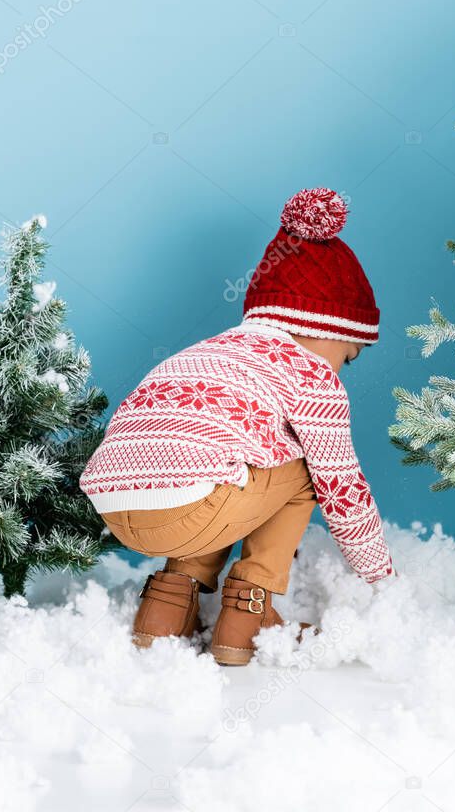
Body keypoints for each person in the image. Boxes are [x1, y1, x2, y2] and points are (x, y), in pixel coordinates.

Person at [80, 187, 394, 665]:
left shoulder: (212, 350)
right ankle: (248, 617)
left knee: (225, 462)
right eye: (346, 357)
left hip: (113, 505)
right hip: (192, 504)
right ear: (326, 328)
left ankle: (164, 610)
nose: (340, 372)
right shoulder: (310, 375)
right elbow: (343, 488)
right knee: (310, 469)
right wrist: (382, 578)